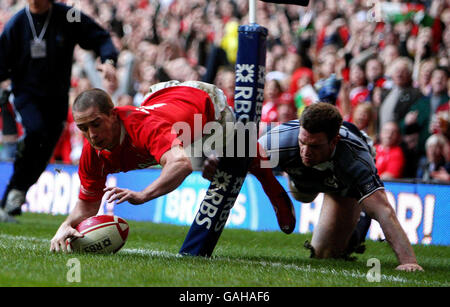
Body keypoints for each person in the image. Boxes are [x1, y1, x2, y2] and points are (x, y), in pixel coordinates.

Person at [203, 103, 423, 271]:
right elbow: (238, 159)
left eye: (315, 145)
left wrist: (409, 262)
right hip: (302, 183)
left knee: (325, 255)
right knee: (302, 195)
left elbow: (384, 211)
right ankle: (296, 179)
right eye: (302, 142)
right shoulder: (279, 141)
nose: (306, 151)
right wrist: (218, 162)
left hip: (342, 186)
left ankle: (354, 233)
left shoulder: (356, 158)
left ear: (334, 141)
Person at [49, 80, 238, 252]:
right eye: (83, 128)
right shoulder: (91, 154)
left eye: (96, 124)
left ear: (113, 115)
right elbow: (88, 205)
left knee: (249, 164)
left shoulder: (143, 126)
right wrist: (67, 224)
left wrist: (143, 194)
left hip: (204, 103)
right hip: (162, 97)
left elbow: (181, 164)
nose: (91, 135)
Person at [0, 0, 118, 222]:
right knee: (36, 131)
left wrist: (109, 60)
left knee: (46, 147)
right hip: (26, 95)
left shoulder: (68, 16)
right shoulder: (16, 24)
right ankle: (14, 191)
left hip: (57, 98)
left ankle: (16, 193)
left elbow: (100, 36)